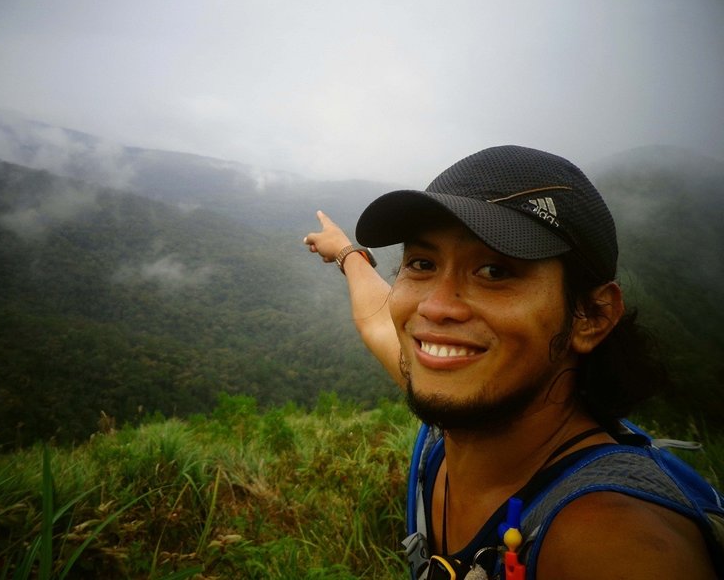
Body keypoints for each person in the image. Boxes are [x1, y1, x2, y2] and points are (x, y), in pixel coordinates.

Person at [303, 145, 717, 579]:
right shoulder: (454, 420)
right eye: (422, 263)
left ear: (590, 317)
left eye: (495, 272)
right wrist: (347, 252)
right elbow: (378, 321)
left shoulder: (618, 542)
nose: (436, 308)